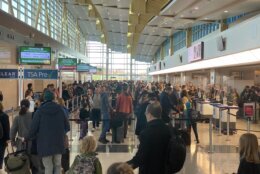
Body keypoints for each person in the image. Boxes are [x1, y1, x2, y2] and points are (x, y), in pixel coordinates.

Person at [29, 90, 70, 174]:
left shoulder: (39, 111)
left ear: (44, 98)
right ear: (53, 98)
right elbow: (67, 126)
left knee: (48, 166)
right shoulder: (61, 110)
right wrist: (60, 132)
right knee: (57, 165)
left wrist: (34, 137)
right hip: (59, 143)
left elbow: (33, 129)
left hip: (44, 144)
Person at [127, 102, 171, 174]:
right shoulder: (168, 129)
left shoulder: (146, 133)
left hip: (149, 170)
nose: (145, 114)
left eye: (146, 113)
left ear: (149, 114)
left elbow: (141, 157)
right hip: (165, 170)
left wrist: (124, 166)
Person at [0, 102, 10, 170]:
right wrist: (8, 139)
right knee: (0, 157)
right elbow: (7, 129)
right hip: (2, 140)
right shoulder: (4, 116)